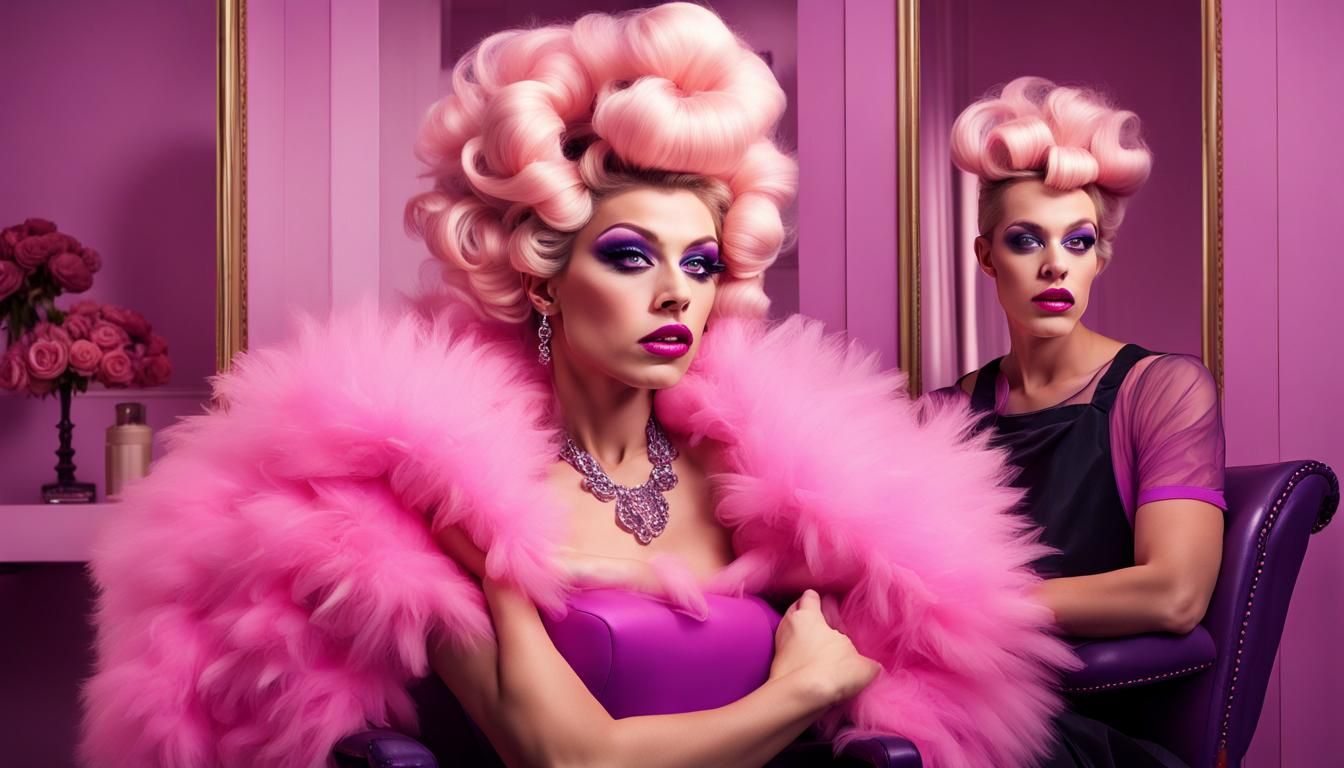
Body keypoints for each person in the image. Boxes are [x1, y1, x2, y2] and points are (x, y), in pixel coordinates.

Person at [79, 8, 1074, 768]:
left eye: (702, 260)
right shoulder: (461, 500)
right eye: (633, 256)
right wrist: (802, 689)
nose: (677, 290)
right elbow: (566, 755)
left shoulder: (756, 481)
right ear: (544, 271)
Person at [941, 76, 1227, 767]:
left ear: (1100, 255)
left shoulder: (1160, 390)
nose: (1052, 267)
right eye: (1024, 240)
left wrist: (981, 606)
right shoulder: (945, 414)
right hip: (966, 706)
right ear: (986, 258)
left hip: (1099, 730)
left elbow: (1175, 594)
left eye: (1077, 241)